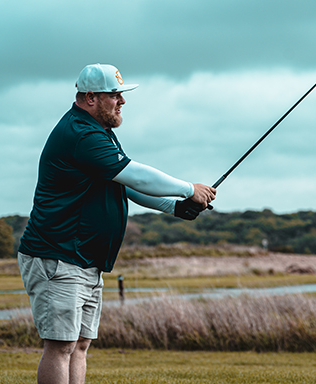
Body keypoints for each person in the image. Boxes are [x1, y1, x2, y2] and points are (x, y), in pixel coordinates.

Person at [17, 63, 216, 384]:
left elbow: (123, 184)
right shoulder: (80, 134)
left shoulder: (100, 134)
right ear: (91, 97)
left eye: (121, 95)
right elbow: (135, 174)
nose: (122, 101)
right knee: (61, 345)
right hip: (57, 254)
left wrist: (174, 208)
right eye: (115, 95)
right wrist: (188, 189)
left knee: (79, 345)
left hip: (84, 257)